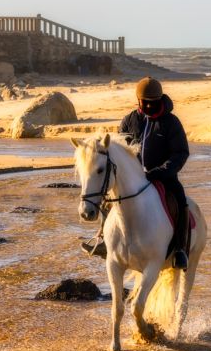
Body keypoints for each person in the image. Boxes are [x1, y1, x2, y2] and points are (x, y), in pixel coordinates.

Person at [81, 77, 192, 269]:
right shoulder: (130, 120)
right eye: (145, 102)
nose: (149, 106)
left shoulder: (171, 123)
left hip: (163, 177)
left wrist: (160, 172)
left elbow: (181, 153)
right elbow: (119, 150)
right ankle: (103, 241)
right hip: (132, 177)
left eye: (153, 102)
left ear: (159, 99)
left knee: (181, 201)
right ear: (138, 100)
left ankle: (180, 250)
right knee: (108, 197)